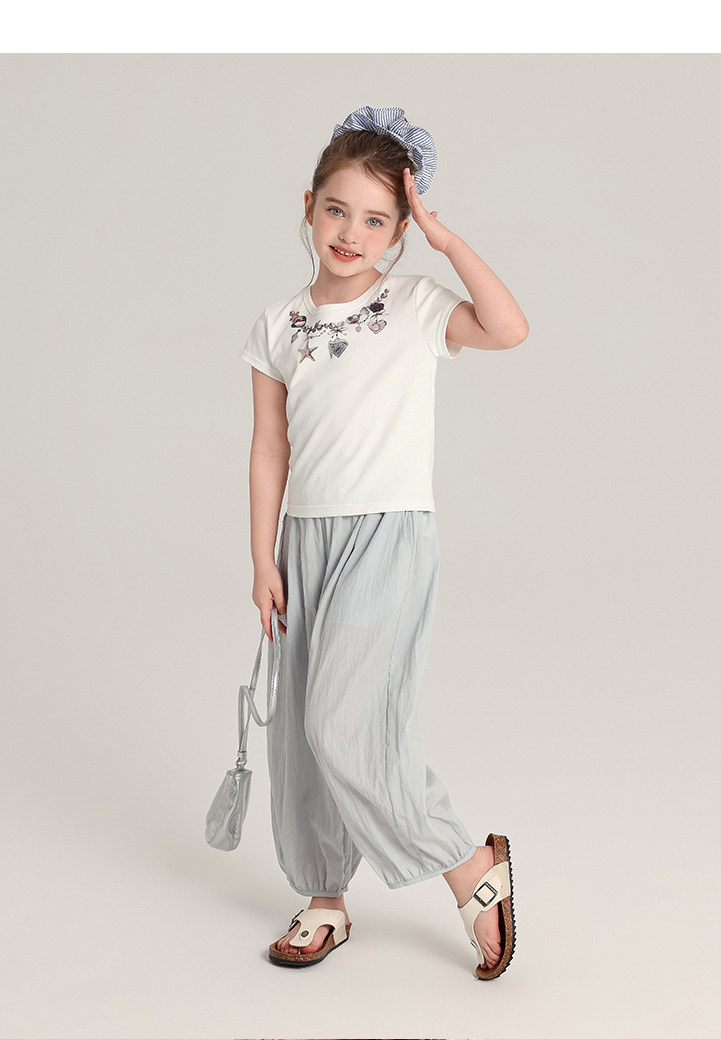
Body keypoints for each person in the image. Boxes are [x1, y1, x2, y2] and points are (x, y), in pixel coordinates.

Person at [240, 106, 529, 981]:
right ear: (308, 205)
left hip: (387, 537)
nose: (351, 233)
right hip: (304, 542)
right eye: (337, 209)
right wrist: (261, 558)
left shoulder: (413, 303)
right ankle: (324, 897)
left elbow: (509, 328)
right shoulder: (278, 324)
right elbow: (269, 448)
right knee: (302, 735)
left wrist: (448, 243)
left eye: (376, 220)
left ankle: (466, 862)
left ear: (400, 231)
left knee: (345, 722)